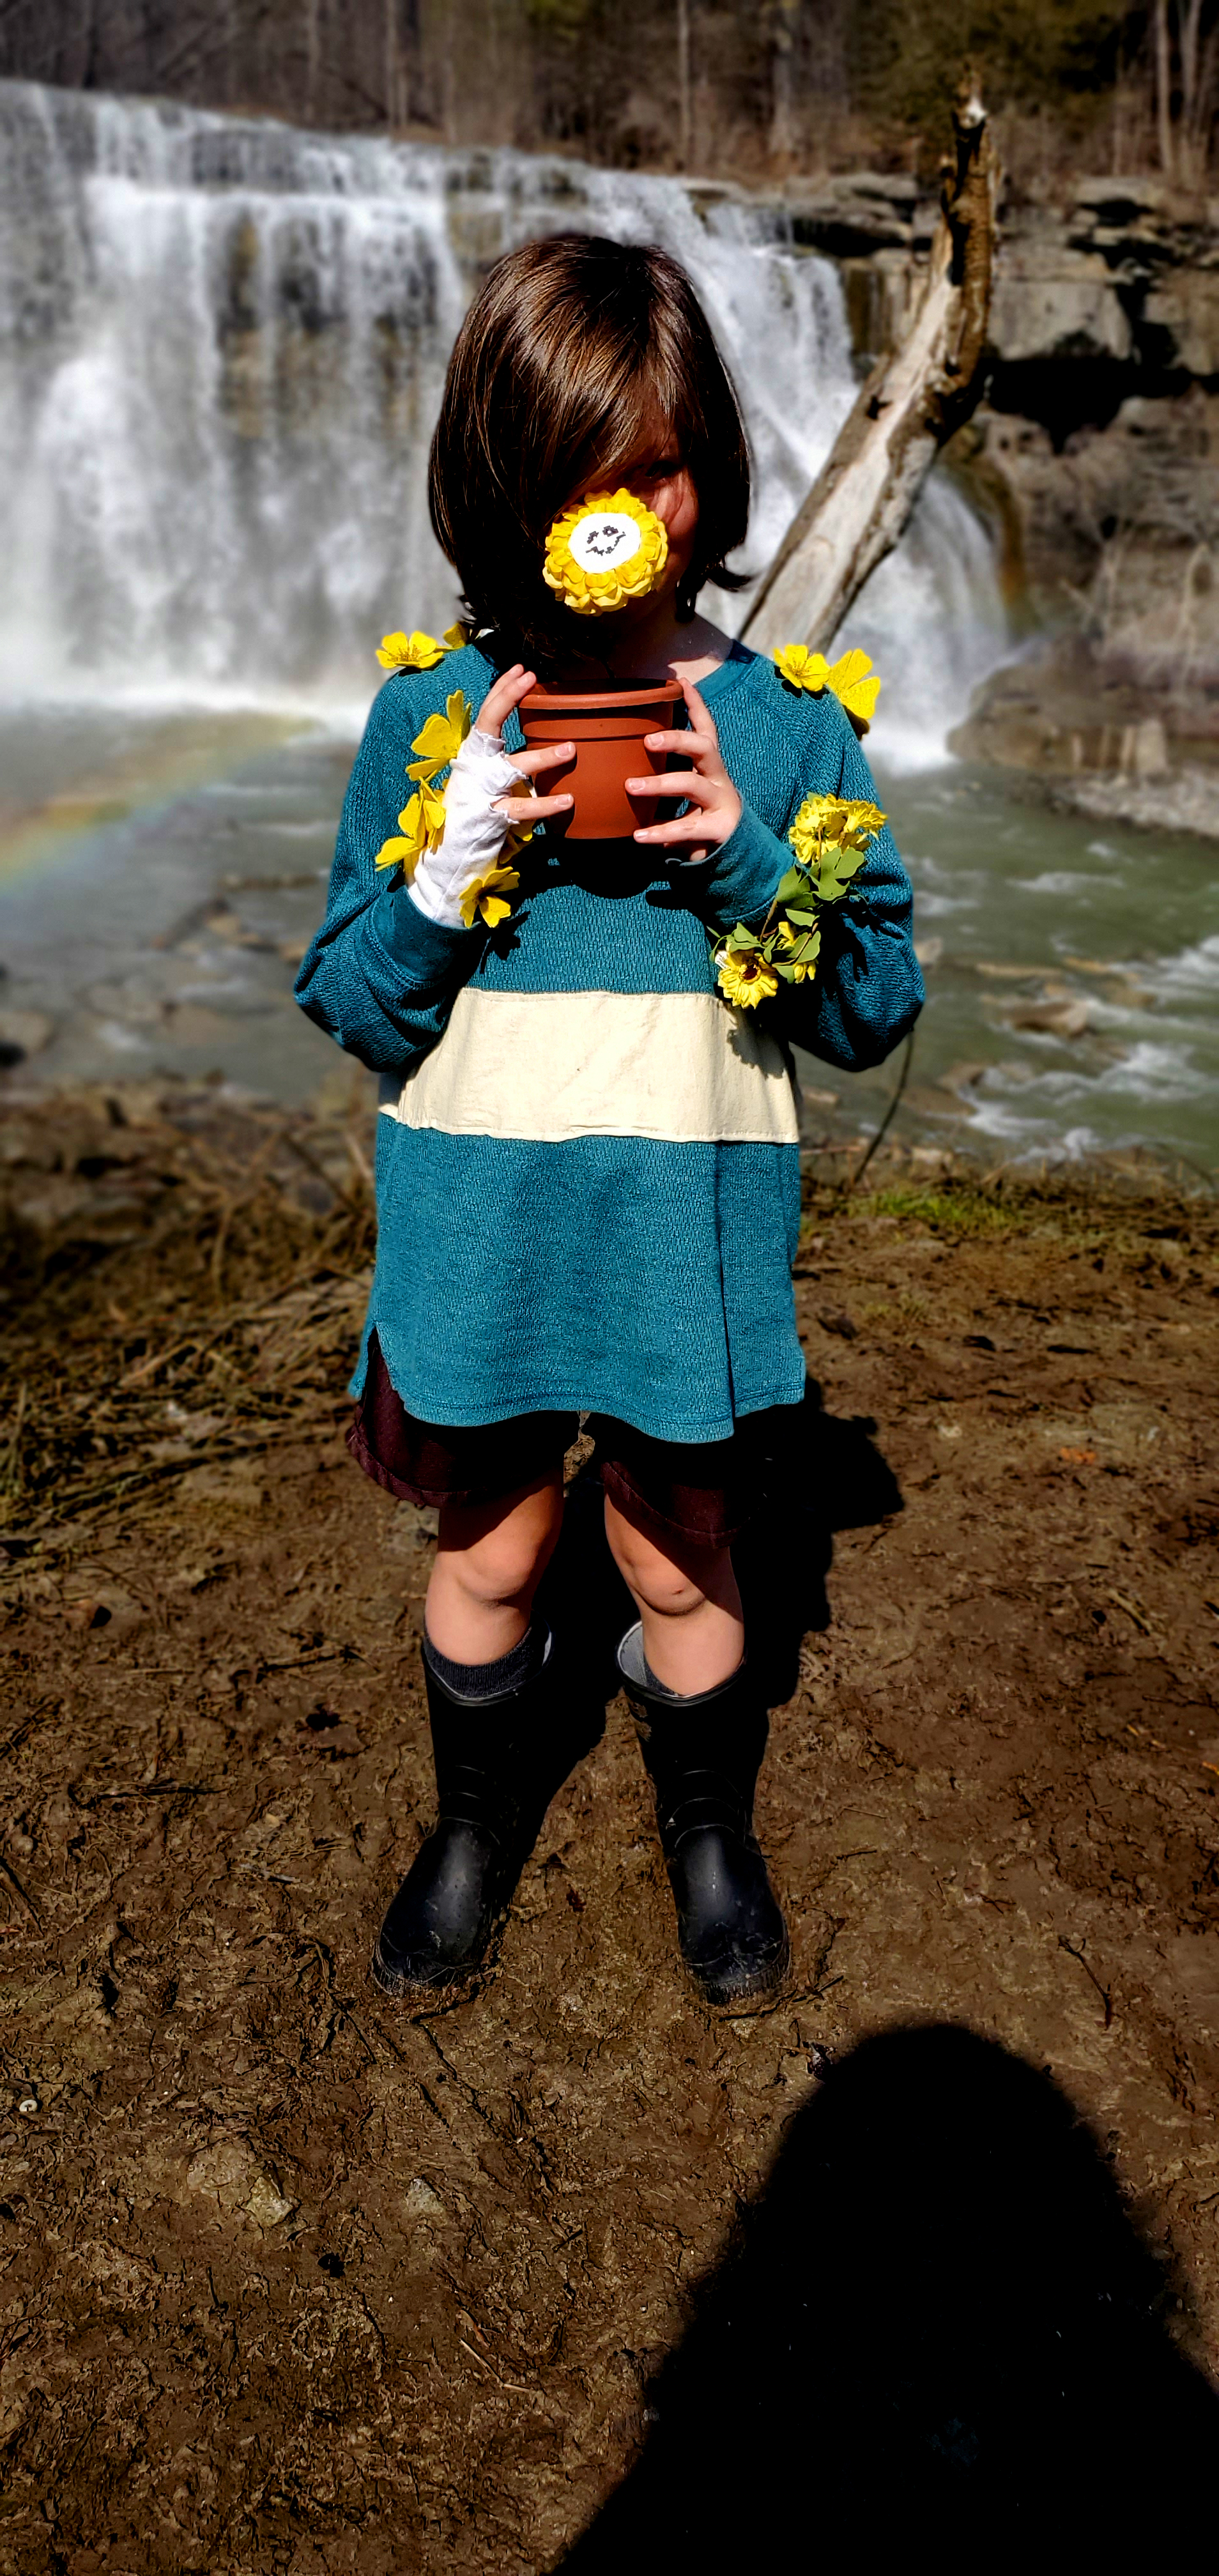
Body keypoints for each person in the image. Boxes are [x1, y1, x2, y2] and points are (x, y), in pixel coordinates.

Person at [295, 233, 922, 2015]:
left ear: (708, 466)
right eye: (579, 475)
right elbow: (351, 1003)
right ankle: (472, 1820)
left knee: (678, 1554)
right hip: (478, 1239)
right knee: (491, 1549)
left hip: (679, 1247)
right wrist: (441, 876)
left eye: (656, 470)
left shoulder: (784, 728)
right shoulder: (432, 716)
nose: (622, 515)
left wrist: (742, 854)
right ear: (501, 487)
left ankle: (707, 1824)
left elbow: (873, 1009)